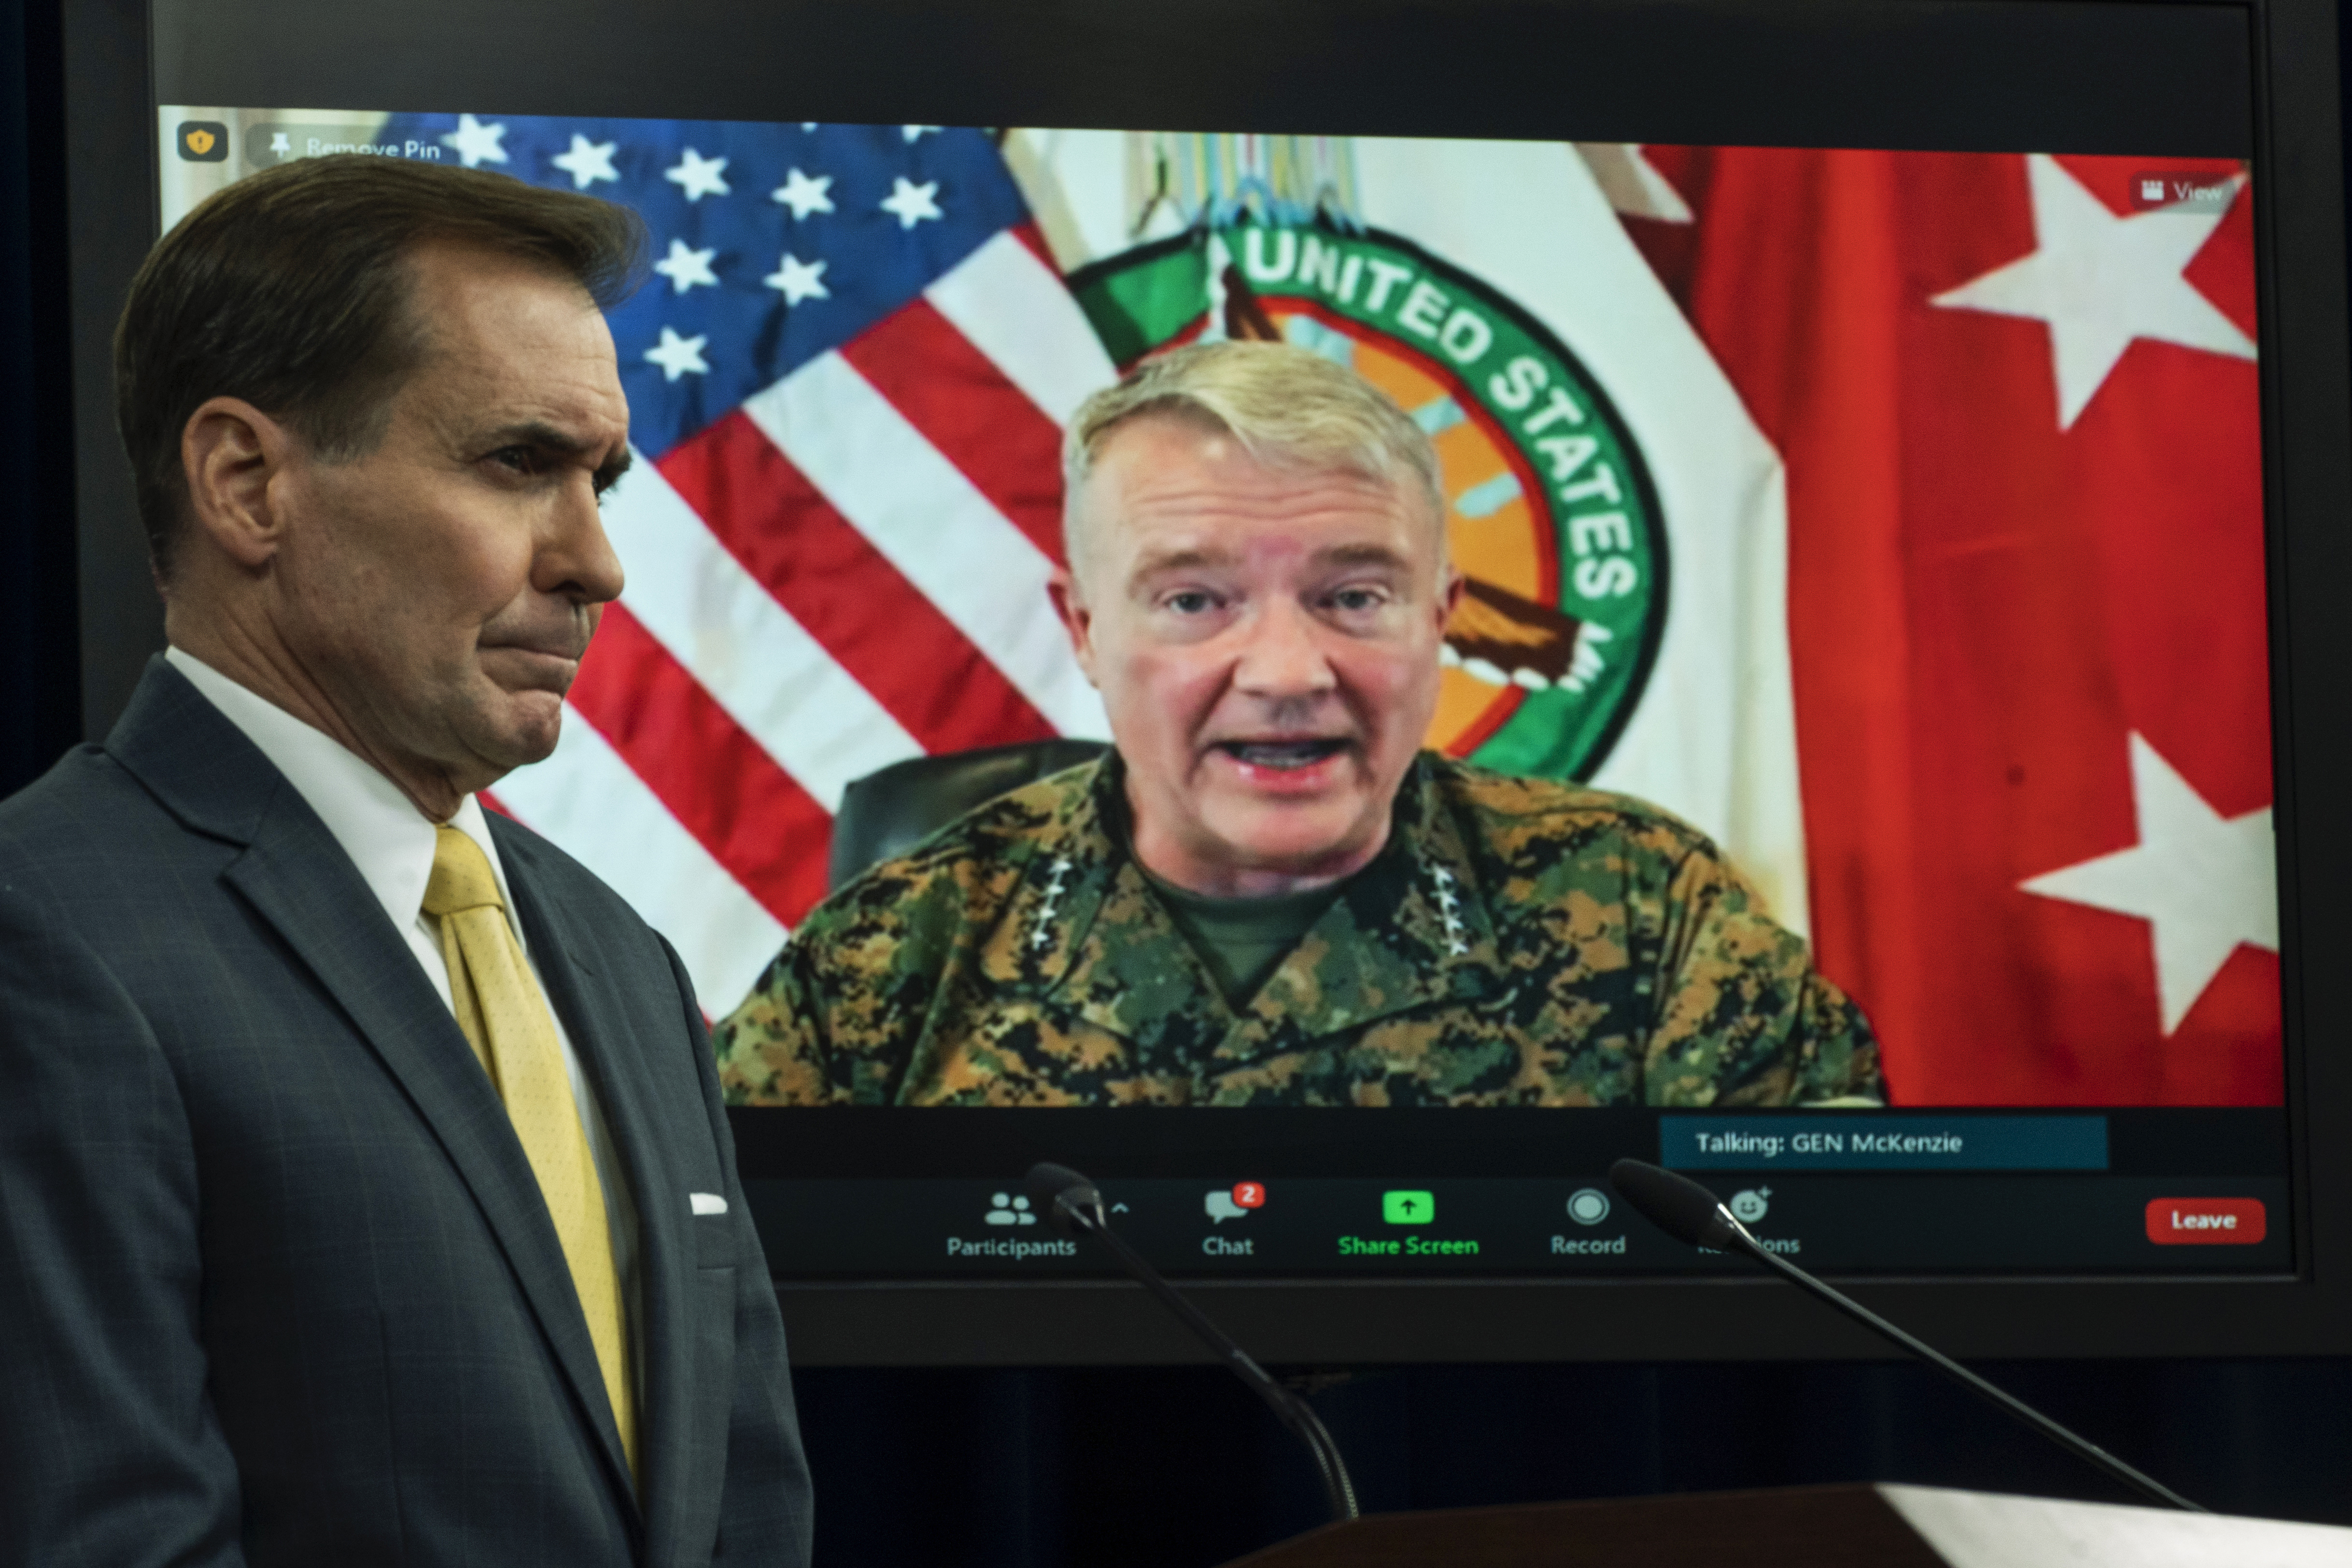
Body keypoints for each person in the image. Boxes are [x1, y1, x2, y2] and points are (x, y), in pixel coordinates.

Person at [0, 156, 811, 1566]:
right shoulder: (45, 933)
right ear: (248, 483)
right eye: (518, 465)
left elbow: (741, 1506)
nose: (597, 561)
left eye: (601, 479)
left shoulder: (622, 960)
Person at [716, 340, 1882, 1109]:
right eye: (1192, 600)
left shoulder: (1648, 913)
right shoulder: (897, 954)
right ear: (1082, 630)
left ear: (1440, 621)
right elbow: (700, 1314)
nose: (1286, 669)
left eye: (1354, 596)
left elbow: (1844, 1291)